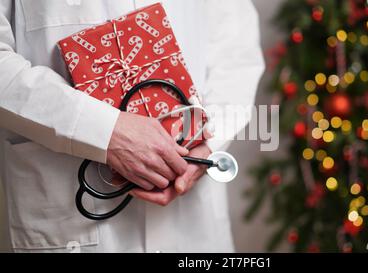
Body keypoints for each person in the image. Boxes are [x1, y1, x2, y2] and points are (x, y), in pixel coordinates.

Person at [0, 0, 264, 252]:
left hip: (194, 216)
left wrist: (205, 142)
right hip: (71, 210)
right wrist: (104, 131)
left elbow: (235, 44)